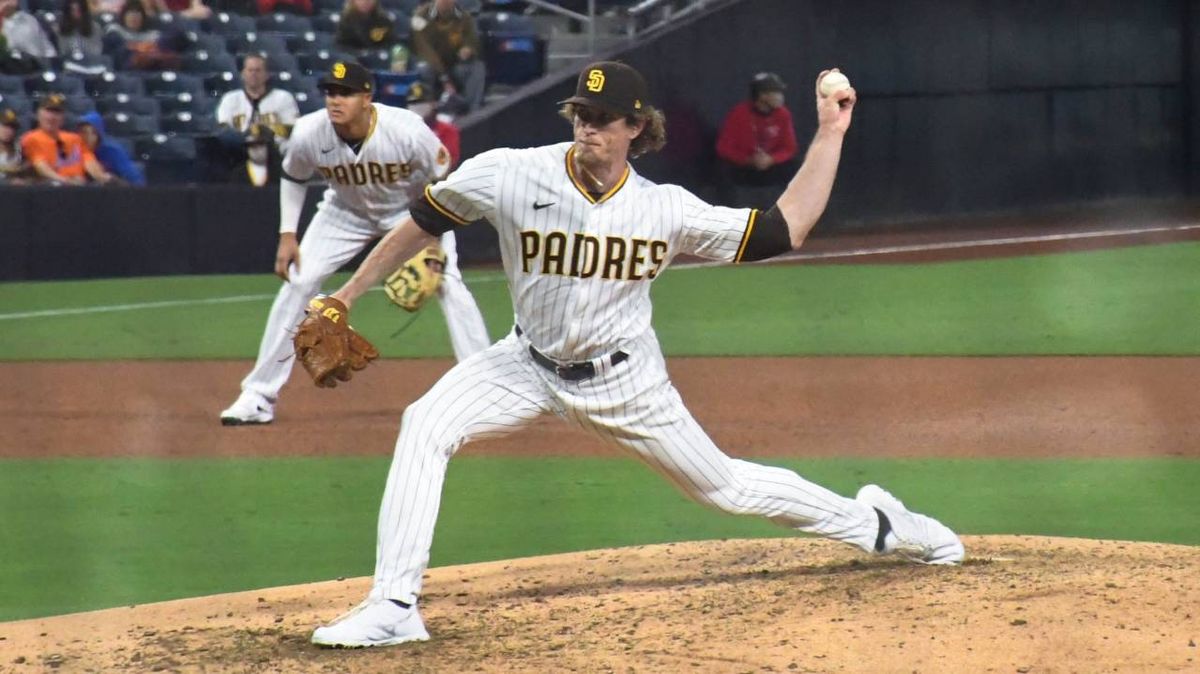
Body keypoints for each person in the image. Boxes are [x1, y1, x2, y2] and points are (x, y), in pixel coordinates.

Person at [303, 61, 964, 648]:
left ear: (635, 127)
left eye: (601, 119)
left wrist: (830, 133)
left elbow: (784, 229)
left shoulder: (664, 211)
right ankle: (393, 605)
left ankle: (878, 524)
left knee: (727, 488)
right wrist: (349, 295)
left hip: (627, 384)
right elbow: (425, 217)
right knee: (426, 424)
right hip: (524, 365)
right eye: (579, 115)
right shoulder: (509, 172)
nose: (586, 128)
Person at [219, 61, 491, 425]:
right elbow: (293, 176)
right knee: (299, 282)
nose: (335, 100)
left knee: (448, 285)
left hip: (409, 213)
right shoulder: (308, 132)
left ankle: (486, 391)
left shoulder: (406, 130)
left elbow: (443, 184)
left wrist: (433, 243)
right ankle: (258, 396)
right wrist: (287, 234)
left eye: (345, 92)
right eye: (330, 91)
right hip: (344, 212)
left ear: (367, 97)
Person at [715, 72, 799, 209]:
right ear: (762, 95)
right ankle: (729, 217)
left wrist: (771, 159)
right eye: (776, 92)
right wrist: (748, 160)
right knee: (721, 169)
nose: (780, 96)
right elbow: (723, 147)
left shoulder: (783, 114)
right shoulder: (739, 113)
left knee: (795, 168)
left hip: (770, 165)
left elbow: (790, 148)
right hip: (744, 166)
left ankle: (792, 215)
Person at [20, 93, 112, 185]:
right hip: (52, 186)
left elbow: (89, 161)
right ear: (39, 114)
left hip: (80, 187)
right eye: (48, 111)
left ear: (63, 117)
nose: (52, 117)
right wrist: (67, 181)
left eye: (57, 113)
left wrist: (101, 176)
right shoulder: (30, 138)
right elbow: (42, 168)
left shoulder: (74, 139)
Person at [410, 0, 485, 113]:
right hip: (431, 64)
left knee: (477, 67)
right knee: (424, 68)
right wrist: (444, 78)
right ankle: (427, 112)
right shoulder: (420, 17)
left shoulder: (464, 16)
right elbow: (425, 50)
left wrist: (468, 49)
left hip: (455, 63)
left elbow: (472, 41)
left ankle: (473, 112)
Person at [216, 54, 299, 151]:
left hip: (276, 153)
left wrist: (265, 131)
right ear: (243, 74)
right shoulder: (230, 99)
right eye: (250, 70)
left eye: (258, 70)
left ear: (267, 75)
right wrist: (249, 134)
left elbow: (292, 129)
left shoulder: (283, 97)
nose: (254, 74)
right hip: (239, 154)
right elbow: (224, 131)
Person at [103, 0, 181, 70]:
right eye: (130, 14)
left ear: (143, 18)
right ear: (124, 17)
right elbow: (117, 55)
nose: (133, 18)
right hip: (127, 72)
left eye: (137, 14)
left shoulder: (153, 35)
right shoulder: (115, 31)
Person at [78, 110, 145, 185]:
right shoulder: (75, 148)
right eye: (84, 132)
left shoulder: (112, 150)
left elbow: (135, 181)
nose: (88, 137)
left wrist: (110, 179)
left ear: (100, 134)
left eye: (93, 133)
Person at [405, 80, 457, 166]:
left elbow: (448, 162)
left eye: (422, 102)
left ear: (433, 104)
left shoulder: (447, 130)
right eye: (414, 103)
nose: (418, 107)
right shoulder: (400, 130)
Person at [0, 106, 30, 184]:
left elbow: (26, 167)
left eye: (12, 128)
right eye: (5, 126)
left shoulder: (19, 148)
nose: (9, 131)